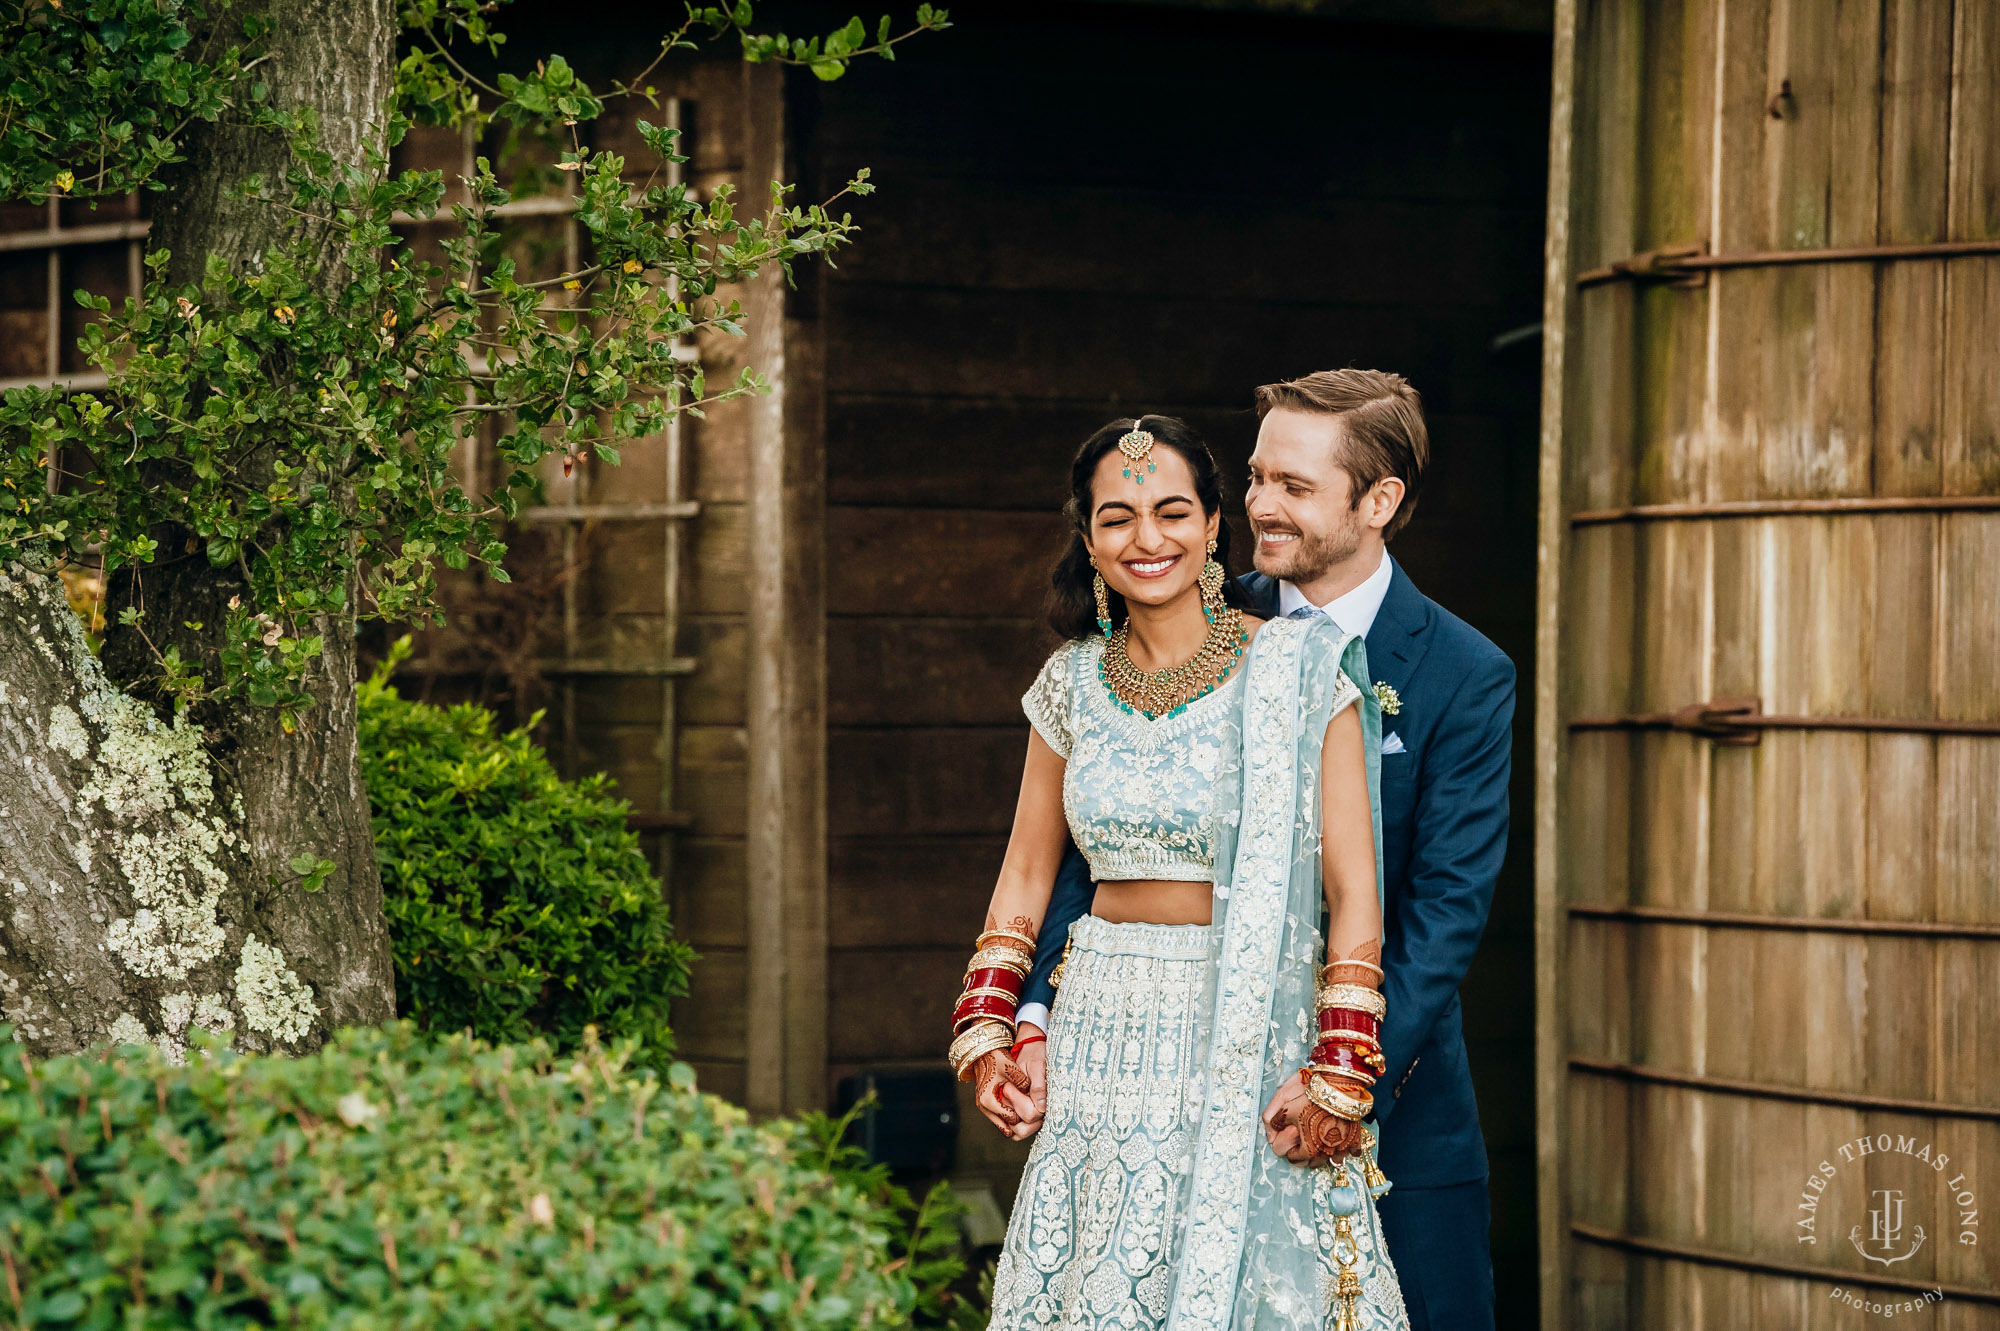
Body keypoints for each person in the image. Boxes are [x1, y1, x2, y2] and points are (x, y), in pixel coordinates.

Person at [1013, 371, 1515, 1331]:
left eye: (1293, 485)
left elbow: (1445, 911)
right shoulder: (1182, 613)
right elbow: (1091, 845)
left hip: (1388, 1096)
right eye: (1253, 478)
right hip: (1167, 1083)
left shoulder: (1463, 672)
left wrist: (1344, 1076)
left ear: (1379, 502)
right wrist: (1030, 1005)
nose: (1259, 506)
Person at [949, 415, 1410, 1331]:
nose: (1145, 538)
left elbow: (1355, 891)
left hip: (1246, 1026)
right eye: (1116, 518)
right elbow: (1025, 877)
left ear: (1211, 528)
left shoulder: (1302, 669)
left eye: (1170, 511)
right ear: (1087, 542)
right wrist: (986, 1025)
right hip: (1103, 1034)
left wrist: (1341, 1063)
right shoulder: (1069, 684)